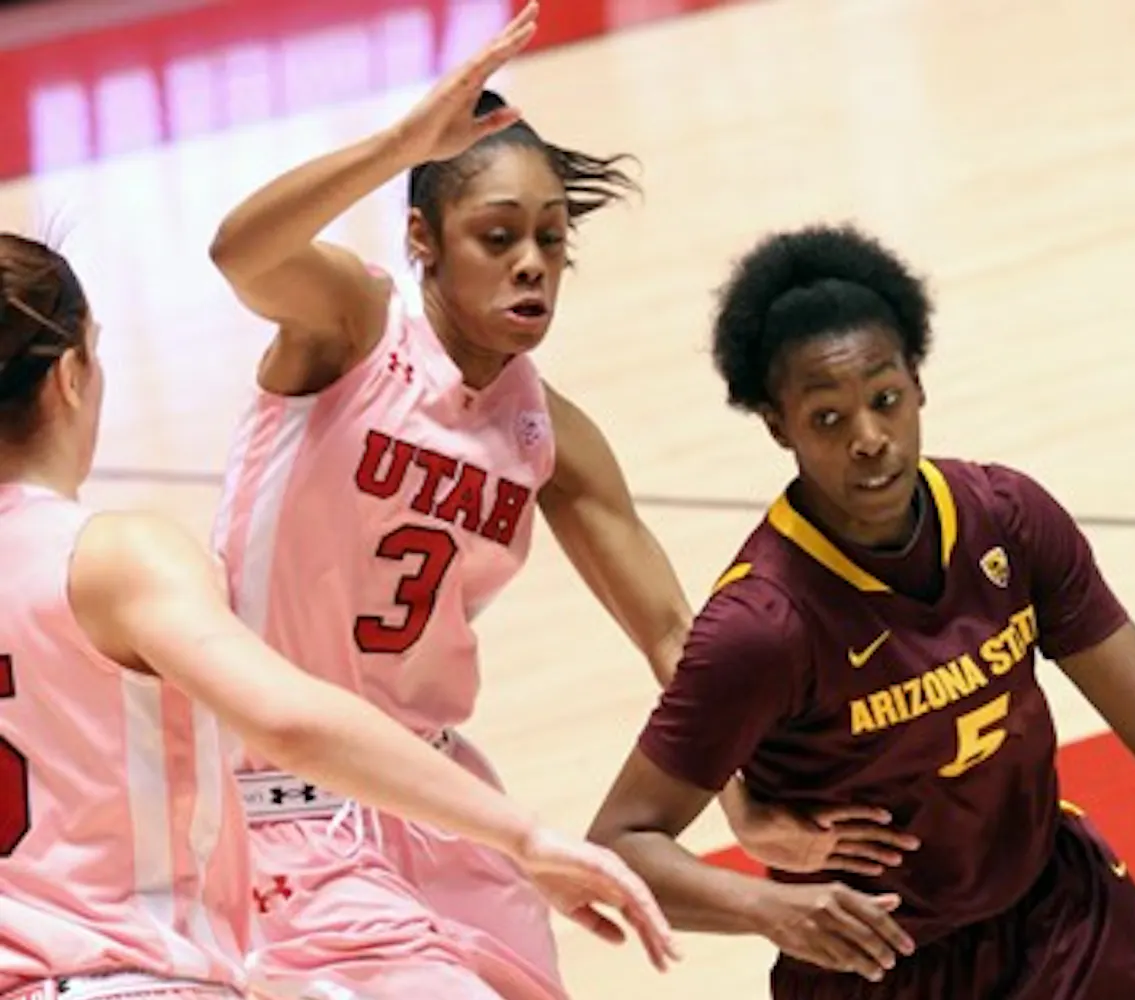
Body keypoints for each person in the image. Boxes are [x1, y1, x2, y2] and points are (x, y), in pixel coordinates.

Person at [204, 5, 904, 998]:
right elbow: (240, 253)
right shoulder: (353, 331)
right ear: (423, 239)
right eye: (497, 237)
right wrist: (403, 145)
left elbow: (668, 630)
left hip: (439, 792)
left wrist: (743, 800)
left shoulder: (549, 435)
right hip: (278, 794)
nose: (531, 262)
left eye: (550, 238)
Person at [586, 222, 1135, 999]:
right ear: (778, 426)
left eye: (886, 398)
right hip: (882, 969)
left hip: (1063, 916)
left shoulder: (1007, 517)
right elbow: (621, 843)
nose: (869, 437)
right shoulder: (764, 625)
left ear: (918, 384)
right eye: (828, 418)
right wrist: (767, 909)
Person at [0, 231, 674, 1000]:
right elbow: (287, 721)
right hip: (127, 980)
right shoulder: (115, 557)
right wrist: (520, 834)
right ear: (71, 378)